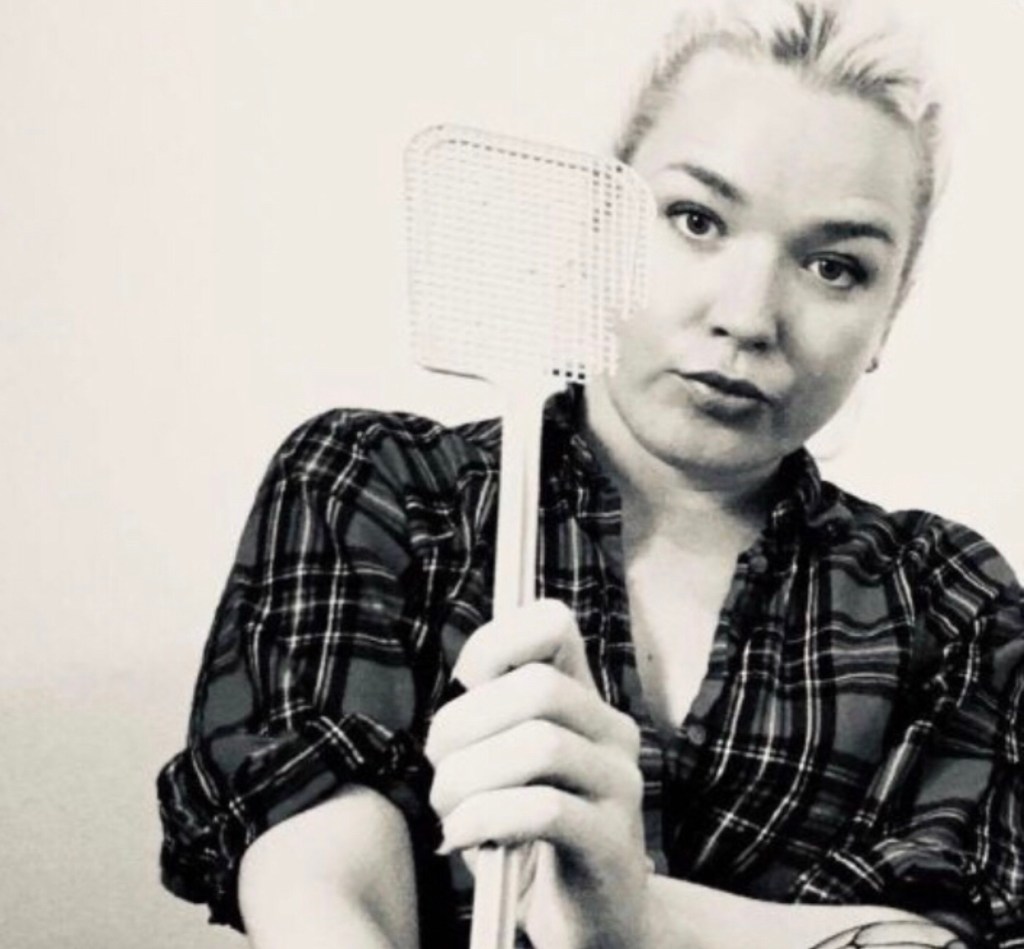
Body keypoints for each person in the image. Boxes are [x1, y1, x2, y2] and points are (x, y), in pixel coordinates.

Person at [157, 1, 1024, 947]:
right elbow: (321, 890)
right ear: (598, 229)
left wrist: (634, 915)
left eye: (835, 267)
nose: (747, 316)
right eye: (695, 219)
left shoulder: (950, 602)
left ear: (889, 317)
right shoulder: (377, 488)